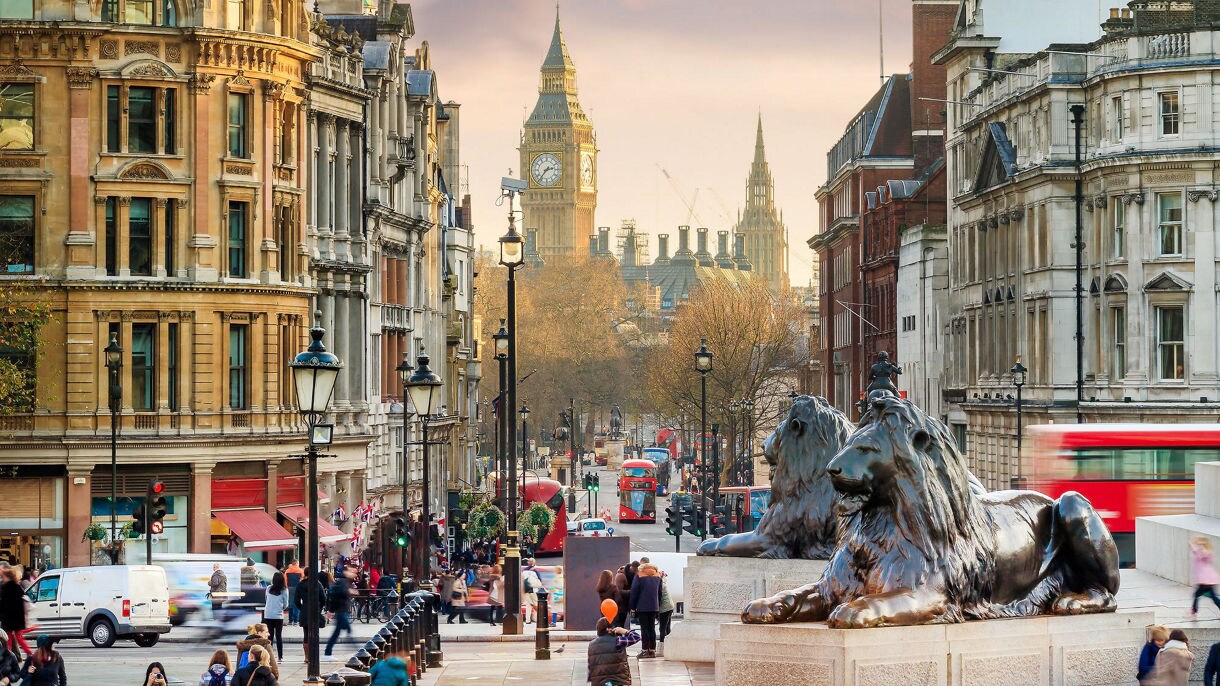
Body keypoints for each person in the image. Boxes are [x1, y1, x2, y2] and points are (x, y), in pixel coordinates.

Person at [586, 617, 640, 686]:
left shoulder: (592, 644)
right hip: (617, 681)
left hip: (598, 683)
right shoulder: (617, 641)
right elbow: (636, 637)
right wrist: (624, 631)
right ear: (608, 629)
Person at [628, 563, 662, 659]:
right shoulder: (657, 575)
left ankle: (644, 650)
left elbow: (634, 592)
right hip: (654, 606)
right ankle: (652, 651)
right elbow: (660, 593)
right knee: (652, 628)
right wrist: (657, 605)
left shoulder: (639, 575)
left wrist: (633, 607)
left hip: (642, 606)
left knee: (644, 628)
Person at [294, 567, 326, 658]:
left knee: (306, 634)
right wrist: (319, 608)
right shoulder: (317, 584)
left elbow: (296, 600)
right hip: (315, 610)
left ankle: (307, 656)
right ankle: (314, 655)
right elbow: (323, 598)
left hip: (305, 610)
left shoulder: (300, 584)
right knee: (315, 634)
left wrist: (302, 608)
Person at [324, 566, 356, 657]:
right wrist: (331, 610)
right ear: (346, 572)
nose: (354, 574)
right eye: (352, 571)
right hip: (341, 611)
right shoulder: (342, 582)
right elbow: (336, 596)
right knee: (348, 630)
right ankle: (355, 651)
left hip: (342, 611)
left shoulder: (345, 582)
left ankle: (328, 652)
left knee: (336, 633)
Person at [0, 568, 27, 659]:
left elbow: (2, 604)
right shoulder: (17, 586)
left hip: (8, 618)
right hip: (17, 618)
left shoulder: (5, 588)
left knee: (8, 639)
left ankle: (9, 656)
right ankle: (28, 654)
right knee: (18, 638)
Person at [1191, 537, 1220, 619]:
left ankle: (1194, 612)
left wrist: (1194, 544)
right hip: (1209, 579)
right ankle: (1194, 611)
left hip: (1205, 580)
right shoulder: (1207, 551)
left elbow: (1197, 552)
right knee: (1213, 597)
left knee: (1197, 595)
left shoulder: (1204, 552)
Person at [262, 572, 288, 661]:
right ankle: (280, 657)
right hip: (278, 616)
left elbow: (266, 599)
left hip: (268, 614)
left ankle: (268, 656)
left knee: (270, 636)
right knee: (278, 636)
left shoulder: (268, 588)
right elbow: (286, 604)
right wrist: (281, 608)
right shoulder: (284, 590)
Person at [657, 570, 675, 648]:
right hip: (670, 607)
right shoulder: (663, 583)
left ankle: (662, 647)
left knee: (662, 628)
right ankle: (670, 646)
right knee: (667, 627)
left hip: (664, 608)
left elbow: (659, 598)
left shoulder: (660, 584)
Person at [283, 561, 303, 626]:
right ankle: (296, 621)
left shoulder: (287, 571)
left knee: (290, 604)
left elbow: (285, 580)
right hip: (298, 588)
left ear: (292, 564)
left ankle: (290, 620)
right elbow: (302, 579)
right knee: (297, 603)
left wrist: (287, 587)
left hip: (289, 588)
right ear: (297, 563)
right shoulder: (300, 570)